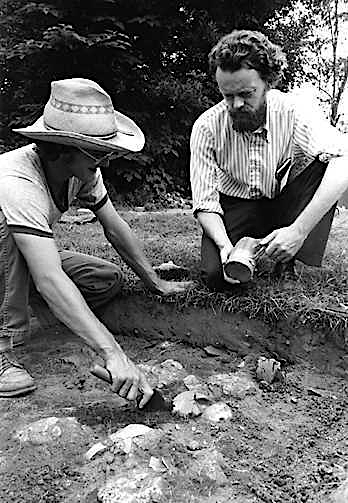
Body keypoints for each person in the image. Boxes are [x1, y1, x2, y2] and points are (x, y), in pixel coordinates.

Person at [0, 77, 192, 402]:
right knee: (8, 237)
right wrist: (114, 354)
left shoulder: (84, 173)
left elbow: (114, 227)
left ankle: (35, 305)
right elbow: (49, 277)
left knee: (104, 279)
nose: (106, 160)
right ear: (64, 149)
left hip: (18, 260)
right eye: (98, 152)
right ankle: (3, 347)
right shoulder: (17, 179)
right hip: (5, 247)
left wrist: (154, 281)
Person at [190, 29, 348, 291]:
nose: (236, 105)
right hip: (234, 205)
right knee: (216, 278)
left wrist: (299, 230)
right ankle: (242, 247)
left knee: (330, 164)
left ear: (267, 83)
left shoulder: (292, 111)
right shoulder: (207, 127)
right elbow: (205, 202)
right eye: (227, 95)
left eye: (246, 94)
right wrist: (223, 246)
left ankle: (287, 257)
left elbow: (344, 159)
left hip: (280, 202)